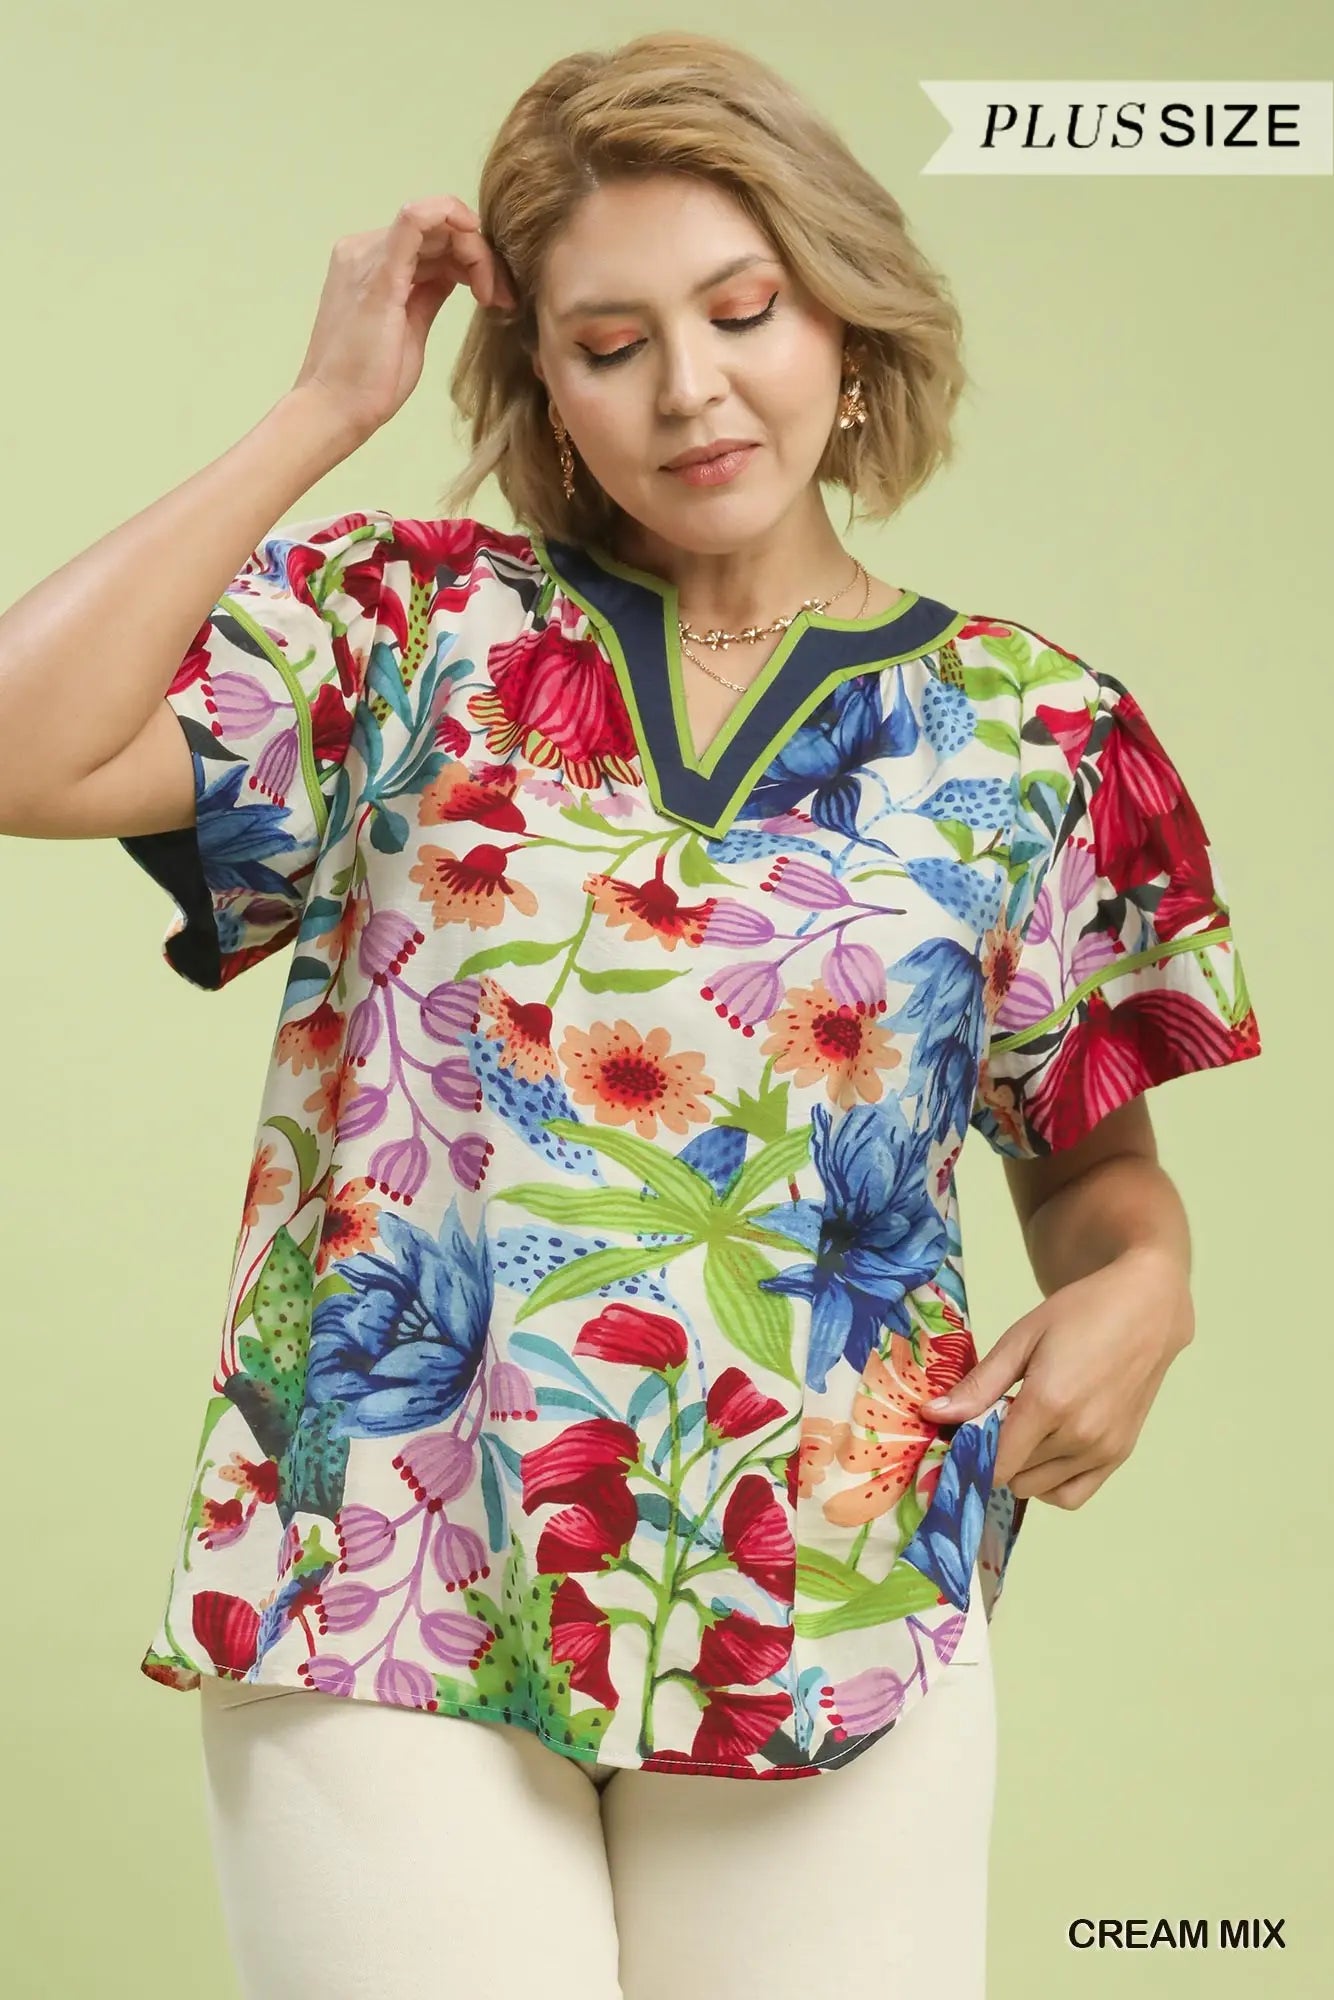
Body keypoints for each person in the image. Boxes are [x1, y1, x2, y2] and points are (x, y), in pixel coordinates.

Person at [0, 29, 1261, 2000]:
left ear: (843, 309)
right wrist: (321, 407)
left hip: (830, 1591)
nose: (689, 387)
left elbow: (1097, 1177)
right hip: (385, 1585)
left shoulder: (1043, 738)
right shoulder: (404, 630)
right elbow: (20, 741)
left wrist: (1146, 1285)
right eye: (606, 342)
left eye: (740, 309)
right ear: (541, 386)